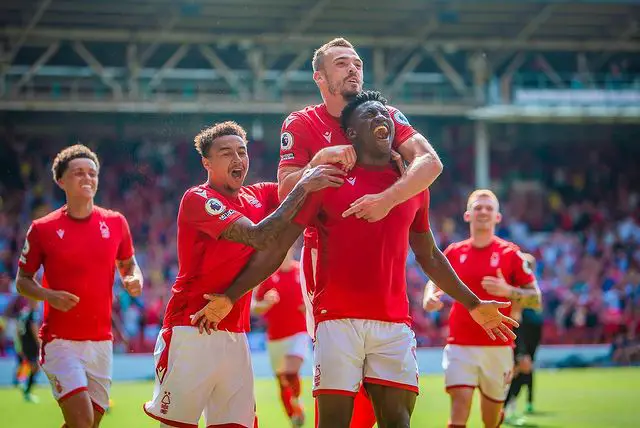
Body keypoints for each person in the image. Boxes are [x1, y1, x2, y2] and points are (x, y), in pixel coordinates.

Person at [191, 92, 518, 428]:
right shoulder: (327, 180)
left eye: (384, 113)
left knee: (398, 422)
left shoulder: (413, 185)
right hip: (337, 322)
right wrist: (232, 296)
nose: (382, 118)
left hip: (394, 324)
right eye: (370, 115)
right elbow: (277, 249)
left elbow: (430, 255)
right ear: (351, 134)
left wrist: (474, 303)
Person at [277, 37, 443, 428]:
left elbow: (430, 163)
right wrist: (319, 160)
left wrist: (388, 198)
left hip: (383, 259)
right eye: (341, 63)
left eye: (357, 63)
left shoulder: (385, 114)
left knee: (386, 400)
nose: (353, 69)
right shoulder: (302, 123)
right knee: (337, 393)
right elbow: (284, 191)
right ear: (320, 77)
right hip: (327, 264)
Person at [143, 121, 344, 428]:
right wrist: (305, 184)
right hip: (191, 327)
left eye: (242, 151)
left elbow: (300, 186)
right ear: (206, 163)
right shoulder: (198, 198)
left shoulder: (259, 195)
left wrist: (327, 156)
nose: (237, 159)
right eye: (226, 153)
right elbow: (259, 236)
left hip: (236, 333)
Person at [16, 144, 144, 428]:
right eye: (78, 173)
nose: (87, 178)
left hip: (101, 344)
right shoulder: (42, 229)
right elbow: (22, 281)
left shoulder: (115, 222)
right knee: (83, 422)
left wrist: (134, 279)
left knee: (86, 425)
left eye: (92, 173)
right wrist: (49, 295)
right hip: (60, 343)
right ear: (61, 180)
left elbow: (129, 265)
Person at [423, 190, 542, 428]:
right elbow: (433, 279)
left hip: (498, 347)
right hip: (460, 344)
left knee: (491, 419)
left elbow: (536, 300)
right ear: (468, 215)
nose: (484, 212)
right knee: (459, 407)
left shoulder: (511, 254)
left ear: (498, 217)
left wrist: (508, 290)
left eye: (489, 208)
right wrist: (429, 297)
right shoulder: (455, 252)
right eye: (478, 207)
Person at [252, 246, 310, 427]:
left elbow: (316, 295)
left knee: (291, 370)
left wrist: (308, 306)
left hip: (299, 333)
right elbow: (254, 307)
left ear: (292, 248)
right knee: (282, 381)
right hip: (275, 338)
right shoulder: (267, 275)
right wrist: (265, 303)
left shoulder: (302, 270)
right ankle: (293, 415)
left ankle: (298, 404)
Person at [504, 254, 543, 424]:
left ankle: (509, 408)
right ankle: (505, 409)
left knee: (523, 369)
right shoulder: (517, 287)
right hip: (520, 332)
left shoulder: (530, 287)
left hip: (530, 333)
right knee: (518, 369)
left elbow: (537, 306)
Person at [15, 298, 41, 403]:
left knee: (30, 365)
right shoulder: (33, 314)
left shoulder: (23, 313)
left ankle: (23, 384)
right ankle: (26, 389)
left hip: (25, 344)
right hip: (32, 344)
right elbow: (34, 329)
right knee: (35, 367)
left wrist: (20, 345)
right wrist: (40, 343)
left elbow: (17, 330)